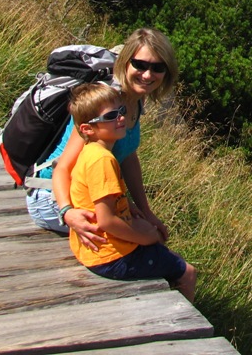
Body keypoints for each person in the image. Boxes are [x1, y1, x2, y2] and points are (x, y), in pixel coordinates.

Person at [25, 28, 178, 249]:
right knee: (144, 240)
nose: (147, 75)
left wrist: (145, 211)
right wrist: (67, 212)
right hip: (52, 197)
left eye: (158, 68)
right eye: (140, 65)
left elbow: (128, 155)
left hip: (88, 196)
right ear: (126, 62)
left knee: (149, 233)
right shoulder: (105, 103)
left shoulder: (136, 99)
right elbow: (63, 167)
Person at [66, 82, 196, 300]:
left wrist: (132, 211)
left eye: (122, 111)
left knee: (163, 251)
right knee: (188, 273)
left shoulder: (90, 152)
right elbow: (107, 221)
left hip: (93, 251)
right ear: (87, 129)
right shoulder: (102, 160)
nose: (120, 118)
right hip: (111, 256)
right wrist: (145, 238)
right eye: (110, 116)